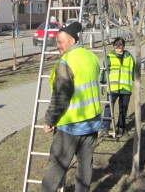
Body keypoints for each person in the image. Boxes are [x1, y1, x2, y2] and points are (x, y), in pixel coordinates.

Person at [41, 22, 102, 191]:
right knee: (85, 168)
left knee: (56, 169)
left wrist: (49, 121)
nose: (57, 45)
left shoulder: (67, 62)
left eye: (60, 41)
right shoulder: (91, 57)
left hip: (70, 127)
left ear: (72, 41)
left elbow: (60, 97)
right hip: (91, 124)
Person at [100, 37, 135, 138]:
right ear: (113, 46)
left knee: (123, 109)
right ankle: (105, 127)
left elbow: (134, 70)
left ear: (124, 46)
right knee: (108, 107)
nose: (118, 47)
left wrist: (137, 80)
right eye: (116, 45)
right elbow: (105, 71)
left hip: (126, 88)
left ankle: (121, 128)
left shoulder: (129, 57)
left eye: (120, 45)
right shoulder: (109, 57)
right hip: (113, 87)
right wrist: (103, 83)